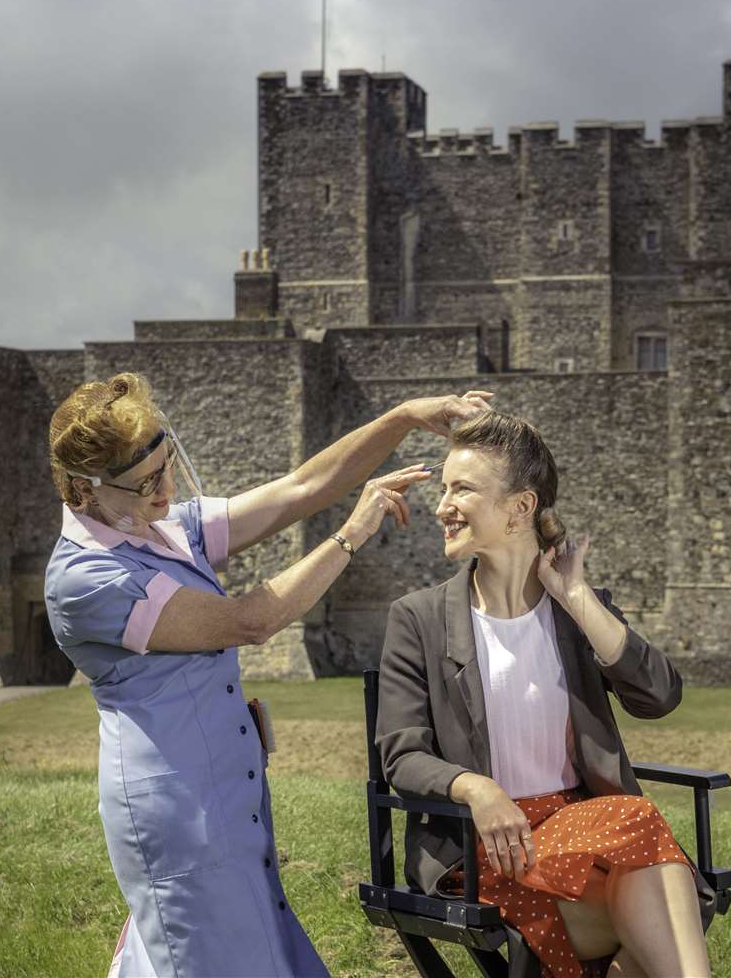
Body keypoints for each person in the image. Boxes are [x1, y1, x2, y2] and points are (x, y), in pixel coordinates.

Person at [44, 371, 492, 977]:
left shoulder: (164, 526)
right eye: (143, 484)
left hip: (226, 793)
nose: (163, 492)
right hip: (178, 807)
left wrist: (405, 416)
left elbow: (303, 486)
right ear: (82, 490)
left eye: (167, 468)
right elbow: (248, 622)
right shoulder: (85, 579)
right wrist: (352, 532)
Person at [376, 410, 715, 978]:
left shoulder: (576, 610)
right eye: (443, 489)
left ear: (520, 508)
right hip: (482, 846)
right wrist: (476, 788)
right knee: (651, 864)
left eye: (462, 489)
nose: (442, 506)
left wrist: (578, 598)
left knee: (642, 870)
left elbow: (658, 696)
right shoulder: (420, 619)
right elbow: (401, 753)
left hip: (587, 837)